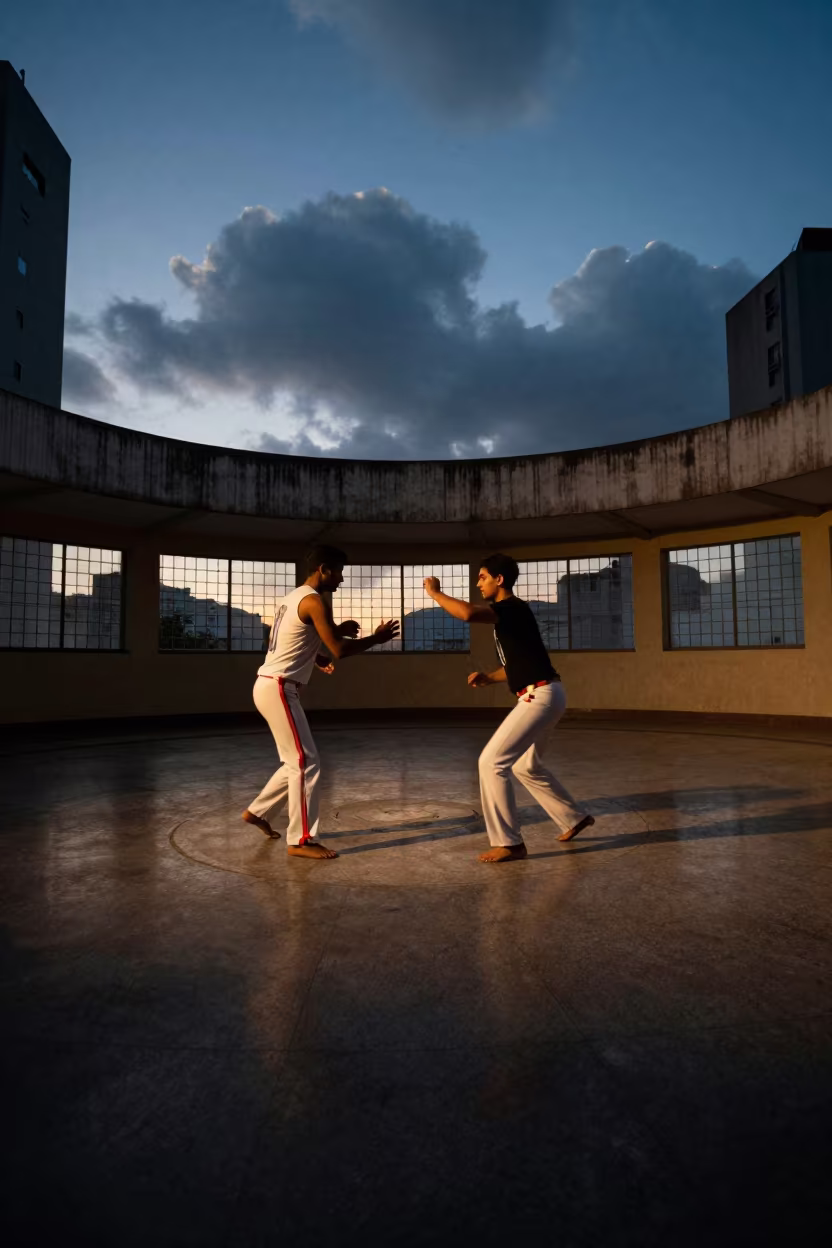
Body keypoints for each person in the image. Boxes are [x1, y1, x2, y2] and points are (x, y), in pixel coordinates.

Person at [424, 554, 594, 863]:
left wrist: (436, 593)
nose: (478, 583)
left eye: (483, 577)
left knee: (491, 762)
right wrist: (490, 677)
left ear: (499, 580)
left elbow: (466, 614)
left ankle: (510, 842)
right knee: (526, 766)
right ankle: (574, 817)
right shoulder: (513, 615)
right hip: (548, 693)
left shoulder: (511, 608)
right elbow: (516, 663)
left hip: (539, 696)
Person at [243, 545, 399, 860]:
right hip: (278, 687)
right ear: (324, 569)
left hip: (270, 685)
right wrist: (377, 640)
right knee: (306, 762)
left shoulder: (293, 598)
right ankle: (300, 841)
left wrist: (319, 654)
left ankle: (258, 812)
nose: (341, 579)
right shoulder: (315, 601)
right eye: (339, 571)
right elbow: (340, 651)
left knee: (295, 760)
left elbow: (296, 638)